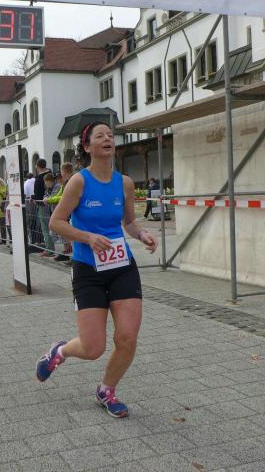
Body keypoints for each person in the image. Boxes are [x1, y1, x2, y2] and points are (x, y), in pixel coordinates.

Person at [35, 122, 158, 419]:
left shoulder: (124, 183)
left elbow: (129, 222)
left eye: (110, 135)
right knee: (93, 348)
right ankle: (59, 352)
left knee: (127, 338)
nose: (107, 139)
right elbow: (56, 223)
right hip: (88, 269)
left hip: (122, 266)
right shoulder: (79, 182)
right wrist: (88, 237)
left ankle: (106, 390)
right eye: (99, 136)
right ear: (87, 146)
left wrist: (141, 234)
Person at [47, 163, 75, 259]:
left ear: (64, 171)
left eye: (61, 171)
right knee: (63, 233)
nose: (61, 174)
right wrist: (50, 199)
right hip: (69, 212)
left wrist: (50, 199)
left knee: (69, 234)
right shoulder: (65, 183)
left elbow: (63, 197)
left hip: (71, 211)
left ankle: (72, 255)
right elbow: (59, 195)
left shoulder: (72, 181)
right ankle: (68, 252)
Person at [38, 172, 58, 256]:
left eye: (47, 182)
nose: (46, 184)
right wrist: (45, 198)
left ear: (50, 181)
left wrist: (48, 199)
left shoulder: (57, 186)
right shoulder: (48, 188)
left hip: (57, 211)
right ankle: (52, 250)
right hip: (52, 210)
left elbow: (54, 197)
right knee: (52, 232)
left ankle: (65, 251)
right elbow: (46, 195)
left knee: (60, 233)